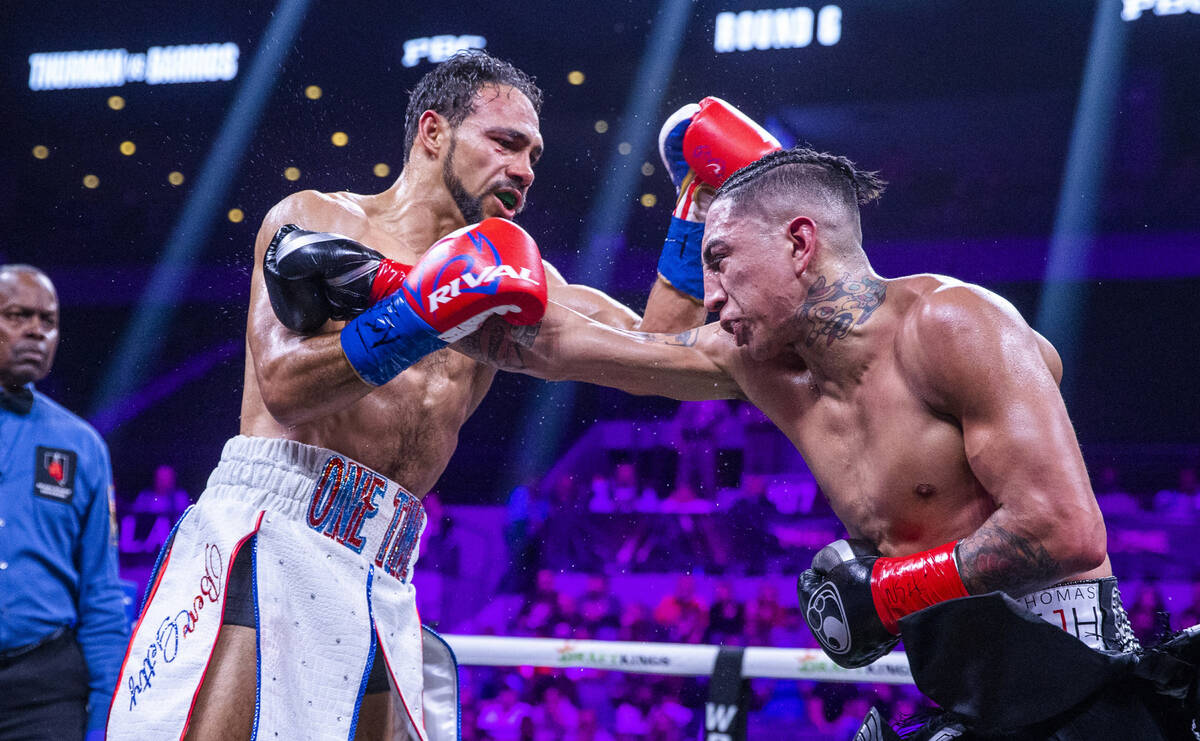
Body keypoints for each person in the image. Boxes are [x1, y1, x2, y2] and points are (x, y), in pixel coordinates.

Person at [108, 51, 764, 741]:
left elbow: (662, 352)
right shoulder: (321, 220)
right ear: (432, 134)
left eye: (534, 154)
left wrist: (700, 203)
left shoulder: (516, 280)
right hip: (275, 530)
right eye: (505, 142)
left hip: (384, 563)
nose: (524, 169)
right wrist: (425, 312)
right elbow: (284, 386)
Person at [457, 146, 1199, 738]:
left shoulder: (952, 324)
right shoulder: (753, 362)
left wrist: (886, 590)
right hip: (965, 693)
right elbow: (582, 346)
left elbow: (1064, 528)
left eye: (722, 260)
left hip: (1077, 689)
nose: (711, 296)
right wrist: (409, 293)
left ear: (800, 243)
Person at [0, 265, 128, 740]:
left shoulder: (81, 446)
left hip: (47, 693)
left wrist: (106, 715)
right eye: (18, 315)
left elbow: (100, 589)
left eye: (47, 320)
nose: (36, 330)